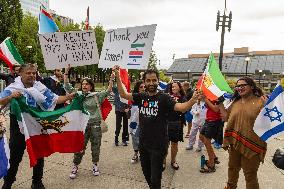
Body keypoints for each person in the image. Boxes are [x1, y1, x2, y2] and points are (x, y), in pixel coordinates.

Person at [113, 65, 199, 189]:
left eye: (154, 80)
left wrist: (193, 100)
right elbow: (123, 94)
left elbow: (181, 107)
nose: (151, 83)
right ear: (144, 82)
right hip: (144, 144)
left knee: (155, 179)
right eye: (148, 80)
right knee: (147, 175)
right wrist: (117, 75)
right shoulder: (141, 97)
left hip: (159, 146)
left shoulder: (164, 98)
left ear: (158, 81)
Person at [0, 63, 75, 189]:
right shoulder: (13, 87)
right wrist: (11, 96)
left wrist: (69, 96)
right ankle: (8, 183)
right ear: (21, 74)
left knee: (39, 154)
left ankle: (37, 182)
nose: (31, 75)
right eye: (28, 73)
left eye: (33, 73)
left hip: (37, 125)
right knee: (15, 157)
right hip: (18, 126)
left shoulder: (40, 87)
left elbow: (55, 99)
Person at [65, 68, 114, 179]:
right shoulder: (78, 95)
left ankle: (95, 165)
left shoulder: (97, 96)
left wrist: (111, 78)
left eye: (87, 84)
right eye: (83, 84)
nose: (84, 86)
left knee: (96, 146)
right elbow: (67, 86)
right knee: (79, 147)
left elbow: (108, 90)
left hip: (95, 124)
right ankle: (75, 166)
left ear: (91, 86)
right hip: (82, 125)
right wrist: (66, 71)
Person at [220, 77, 267, 189]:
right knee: (232, 169)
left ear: (251, 86)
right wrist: (220, 103)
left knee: (250, 175)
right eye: (238, 86)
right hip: (235, 143)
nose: (240, 88)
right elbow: (226, 117)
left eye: (243, 85)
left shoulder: (261, 101)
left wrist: (266, 107)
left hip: (253, 145)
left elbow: (269, 122)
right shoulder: (234, 102)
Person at [164, 82, 186, 170]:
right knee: (165, 143)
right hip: (166, 122)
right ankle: (163, 161)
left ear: (179, 88)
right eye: (172, 87)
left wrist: (177, 103)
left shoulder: (183, 98)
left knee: (174, 143)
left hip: (177, 122)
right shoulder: (168, 96)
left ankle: (173, 161)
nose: (173, 88)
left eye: (175, 87)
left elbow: (184, 111)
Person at [199, 97, 223, 173]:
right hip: (208, 120)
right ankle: (214, 157)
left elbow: (216, 109)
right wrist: (204, 100)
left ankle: (211, 164)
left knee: (207, 141)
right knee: (201, 136)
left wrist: (206, 99)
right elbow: (208, 106)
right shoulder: (210, 95)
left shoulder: (219, 96)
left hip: (214, 122)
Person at [129, 81, 145, 163]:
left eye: (144, 87)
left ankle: (143, 154)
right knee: (135, 136)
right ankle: (135, 153)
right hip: (135, 121)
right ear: (137, 88)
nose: (143, 88)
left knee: (144, 138)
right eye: (141, 87)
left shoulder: (148, 97)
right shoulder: (134, 97)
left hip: (145, 122)